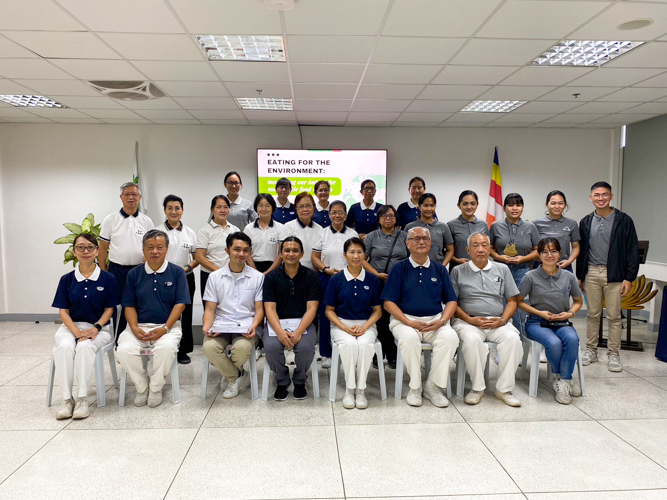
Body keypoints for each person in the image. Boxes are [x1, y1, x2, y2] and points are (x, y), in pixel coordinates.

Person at [382, 227, 459, 408]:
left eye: (425, 238)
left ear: (431, 242)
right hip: (405, 320)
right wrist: (408, 322)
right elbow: (388, 303)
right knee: (408, 339)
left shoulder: (440, 270)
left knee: (451, 338)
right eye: (415, 239)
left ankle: (433, 386)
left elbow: (451, 301)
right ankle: (415, 387)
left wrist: (441, 321)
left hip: (435, 320)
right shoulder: (399, 269)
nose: (421, 242)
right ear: (407, 244)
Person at [116, 230, 190, 408]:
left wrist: (165, 328)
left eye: (159, 247)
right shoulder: (134, 274)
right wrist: (134, 328)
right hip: (138, 326)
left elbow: (180, 305)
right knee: (124, 350)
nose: (155, 251)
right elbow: (129, 305)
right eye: (150, 248)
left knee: (166, 348)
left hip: (168, 327)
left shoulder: (177, 272)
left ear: (167, 249)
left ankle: (156, 388)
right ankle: (142, 388)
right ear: (143, 249)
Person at [450, 232, 523, 407]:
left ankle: (504, 389)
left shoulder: (502, 269)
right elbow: (452, 302)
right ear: (468, 250)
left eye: (484, 245)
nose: (480, 249)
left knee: (513, 339)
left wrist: (503, 320)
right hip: (468, 321)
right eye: (475, 245)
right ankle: (477, 388)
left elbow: (512, 300)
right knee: (472, 341)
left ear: (490, 249)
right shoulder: (458, 271)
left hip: (498, 321)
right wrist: (469, 319)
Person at [51, 234, 120, 420]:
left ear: (97, 251)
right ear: (74, 252)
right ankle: (67, 400)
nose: (85, 251)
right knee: (64, 347)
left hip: (100, 328)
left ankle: (82, 399)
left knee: (84, 346)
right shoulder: (66, 279)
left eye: (90, 247)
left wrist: (95, 329)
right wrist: (76, 332)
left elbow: (109, 309)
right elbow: (63, 312)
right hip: (71, 327)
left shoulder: (107, 278)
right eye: (80, 247)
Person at [577, 181, 639, 372]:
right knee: (592, 314)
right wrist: (580, 275)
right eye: (597, 195)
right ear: (591, 198)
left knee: (614, 317)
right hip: (591, 273)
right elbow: (581, 250)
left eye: (605, 194)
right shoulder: (586, 221)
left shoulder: (623, 220)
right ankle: (591, 350)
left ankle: (614, 353)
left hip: (615, 274)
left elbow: (632, 250)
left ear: (611, 197)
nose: (601, 198)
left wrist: (629, 277)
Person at [518, 238, 584, 404]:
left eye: (553, 251)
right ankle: (564, 378)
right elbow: (518, 301)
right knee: (553, 343)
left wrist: (569, 313)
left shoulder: (568, 276)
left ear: (559, 254)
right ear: (538, 256)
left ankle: (563, 379)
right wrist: (539, 312)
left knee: (572, 339)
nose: (550, 255)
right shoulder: (530, 276)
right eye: (545, 252)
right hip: (536, 322)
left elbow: (578, 301)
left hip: (561, 321)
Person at [202, 232, 264, 399]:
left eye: (245, 250)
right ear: (227, 250)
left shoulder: (257, 278)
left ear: (250, 252)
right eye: (236, 249)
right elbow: (209, 309)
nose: (241, 254)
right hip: (221, 324)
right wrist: (207, 326)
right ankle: (236, 375)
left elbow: (259, 310)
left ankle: (229, 374)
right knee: (208, 347)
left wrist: (254, 325)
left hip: (246, 325)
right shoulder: (215, 277)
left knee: (241, 348)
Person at [324, 238, 382, 409]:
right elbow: (329, 310)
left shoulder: (372, 280)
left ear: (365, 255)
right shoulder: (336, 280)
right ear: (345, 255)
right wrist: (344, 328)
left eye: (359, 252)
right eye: (351, 252)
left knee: (364, 345)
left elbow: (378, 310)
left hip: (367, 323)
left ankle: (361, 391)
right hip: (341, 324)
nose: (356, 256)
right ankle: (350, 390)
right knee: (349, 345)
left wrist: (364, 327)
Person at [262, 237, 321, 400]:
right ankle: (281, 380)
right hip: (277, 323)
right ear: (280, 253)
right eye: (286, 250)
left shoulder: (311, 277)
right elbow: (270, 309)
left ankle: (300, 379)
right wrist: (280, 332)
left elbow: (312, 308)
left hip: (303, 323)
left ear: (302, 254)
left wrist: (299, 331)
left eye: (295, 250)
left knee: (305, 348)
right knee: (272, 347)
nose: (291, 254)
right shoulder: (271, 277)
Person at [98, 182, 154, 336]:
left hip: (140, 270)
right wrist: (104, 272)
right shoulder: (110, 220)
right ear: (121, 198)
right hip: (117, 270)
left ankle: (139, 335)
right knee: (118, 306)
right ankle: (119, 339)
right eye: (127, 194)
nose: (131, 197)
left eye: (134, 195)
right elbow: (102, 248)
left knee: (140, 304)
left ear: (140, 198)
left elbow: (151, 247)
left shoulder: (146, 221)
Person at [311, 200, 359, 368]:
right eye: (333, 212)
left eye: (340, 212)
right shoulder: (322, 233)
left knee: (347, 313)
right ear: (329, 214)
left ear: (346, 215)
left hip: (349, 278)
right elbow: (315, 257)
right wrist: (326, 269)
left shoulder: (352, 233)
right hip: (327, 278)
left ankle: (349, 351)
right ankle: (327, 354)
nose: (337, 215)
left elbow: (357, 256)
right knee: (325, 315)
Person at [362, 204, 409, 369]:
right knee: (379, 318)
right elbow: (361, 259)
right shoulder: (372, 237)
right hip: (378, 282)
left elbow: (411, 258)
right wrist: (376, 274)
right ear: (379, 219)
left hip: (400, 284)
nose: (388, 219)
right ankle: (377, 354)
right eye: (384, 216)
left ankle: (393, 354)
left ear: (396, 219)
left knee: (395, 317)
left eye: (391, 216)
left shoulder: (404, 236)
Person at [489, 193, 540, 335]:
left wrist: (522, 259)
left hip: (522, 271)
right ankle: (502, 342)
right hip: (500, 270)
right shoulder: (495, 226)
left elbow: (537, 251)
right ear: (504, 208)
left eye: (518, 205)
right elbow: (489, 248)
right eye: (510, 205)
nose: (514, 208)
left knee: (519, 308)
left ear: (522, 208)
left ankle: (520, 343)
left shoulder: (530, 227)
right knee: (501, 306)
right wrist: (500, 257)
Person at [156, 194, 198, 365]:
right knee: (163, 313)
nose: (174, 212)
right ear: (165, 210)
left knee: (185, 314)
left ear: (182, 210)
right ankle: (163, 347)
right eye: (170, 208)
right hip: (161, 278)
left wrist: (186, 268)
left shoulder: (190, 232)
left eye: (177, 208)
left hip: (185, 278)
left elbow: (197, 257)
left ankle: (183, 350)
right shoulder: (157, 231)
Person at [196, 195, 240, 300]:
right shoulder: (205, 231)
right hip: (209, 276)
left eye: (226, 207)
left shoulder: (235, 230)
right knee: (210, 309)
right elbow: (199, 257)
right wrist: (219, 272)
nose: (222, 210)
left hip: (232, 276)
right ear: (212, 210)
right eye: (219, 207)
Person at [532, 190, 581, 272]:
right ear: (547, 204)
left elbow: (576, 247)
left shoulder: (572, 223)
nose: (557, 206)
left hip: (563, 266)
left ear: (565, 205)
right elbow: (532, 247)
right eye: (553, 203)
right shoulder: (536, 223)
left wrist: (569, 261)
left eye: (561, 203)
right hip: (540, 266)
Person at [405, 193, 455, 267]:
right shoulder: (410, 227)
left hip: (437, 267)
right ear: (419, 206)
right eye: (425, 205)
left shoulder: (443, 226)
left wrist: (442, 266)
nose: (429, 209)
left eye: (432, 205)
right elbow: (405, 250)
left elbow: (450, 250)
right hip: (414, 268)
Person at [279, 192, 323, 271]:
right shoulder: (288, 227)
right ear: (296, 209)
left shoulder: (320, 229)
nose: (305, 209)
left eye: (308, 206)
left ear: (314, 207)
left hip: (314, 273)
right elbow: (282, 253)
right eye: (301, 206)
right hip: (292, 271)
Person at [447, 190, 489, 270]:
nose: (469, 207)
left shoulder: (483, 224)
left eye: (473, 203)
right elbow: (446, 251)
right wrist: (457, 260)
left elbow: (487, 247)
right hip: (458, 268)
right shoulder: (451, 225)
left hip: (480, 268)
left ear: (477, 205)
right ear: (459, 205)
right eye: (465, 204)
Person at [244, 194, 283, 274]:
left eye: (267, 206)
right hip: (252, 268)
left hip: (274, 269)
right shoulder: (248, 228)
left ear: (273, 208)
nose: (264, 209)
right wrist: (257, 273)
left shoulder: (280, 228)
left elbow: (281, 254)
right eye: (260, 206)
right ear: (256, 208)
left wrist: (268, 272)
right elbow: (246, 254)